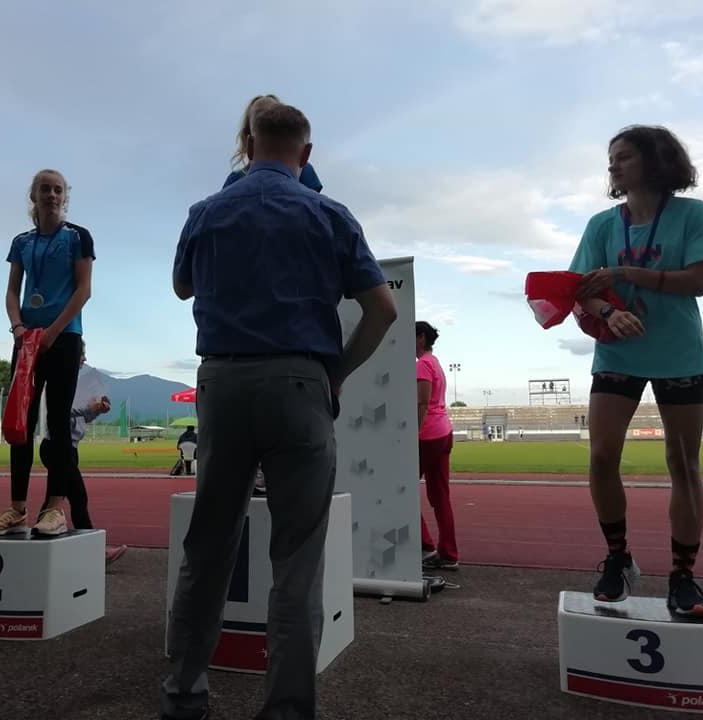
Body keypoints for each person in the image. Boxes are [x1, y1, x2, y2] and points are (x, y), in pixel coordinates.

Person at [163, 103, 397, 720]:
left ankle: (183, 695)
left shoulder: (206, 211)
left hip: (222, 381)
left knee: (208, 547)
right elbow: (383, 310)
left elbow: (183, 286)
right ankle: (286, 708)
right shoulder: (330, 214)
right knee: (297, 559)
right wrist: (335, 374)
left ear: (247, 144)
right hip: (300, 381)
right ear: (307, 154)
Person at [570, 124, 703, 619]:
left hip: (679, 354)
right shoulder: (601, 225)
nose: (612, 165)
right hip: (618, 355)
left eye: (624, 156)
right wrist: (609, 311)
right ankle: (618, 559)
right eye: (611, 157)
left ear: (655, 160)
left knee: (683, 464)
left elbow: (697, 282)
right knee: (601, 457)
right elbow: (581, 291)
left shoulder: (691, 214)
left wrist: (626, 274)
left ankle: (683, 576)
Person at [0, 168, 95, 537]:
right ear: (34, 195)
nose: (52, 195)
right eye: (45, 189)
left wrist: (53, 331)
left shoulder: (78, 237)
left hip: (63, 338)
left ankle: (54, 508)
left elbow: (83, 290)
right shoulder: (22, 242)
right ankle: (17, 509)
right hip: (27, 342)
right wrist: (18, 328)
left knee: (58, 423)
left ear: (65, 196)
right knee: (21, 422)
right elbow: (12, 291)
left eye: (58, 189)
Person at [37, 340, 127, 565]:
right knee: (78, 497)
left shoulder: (73, 383)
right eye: (81, 353)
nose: (84, 359)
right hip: (57, 447)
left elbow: (79, 417)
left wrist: (96, 410)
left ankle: (38, 543)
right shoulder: (56, 381)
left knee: (53, 499)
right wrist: (89, 408)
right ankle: (95, 553)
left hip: (68, 447)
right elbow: (62, 411)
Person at [415, 321, 458, 572]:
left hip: (428, 434)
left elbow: (422, 402)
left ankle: (425, 545)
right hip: (444, 431)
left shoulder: (422, 365)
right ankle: (449, 554)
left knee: (402, 490)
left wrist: (413, 431)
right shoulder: (436, 363)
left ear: (421, 337)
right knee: (440, 497)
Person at [223, 94, 323, 193]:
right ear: (248, 131)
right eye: (259, 114)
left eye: (272, 111)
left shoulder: (304, 170)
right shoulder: (235, 179)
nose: (267, 117)